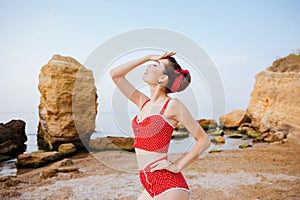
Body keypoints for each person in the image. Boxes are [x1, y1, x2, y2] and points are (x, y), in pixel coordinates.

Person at [110, 51, 211, 200]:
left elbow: (204, 140)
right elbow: (115, 75)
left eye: (155, 65)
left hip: (170, 187)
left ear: (163, 78)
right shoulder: (143, 102)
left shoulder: (172, 105)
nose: (149, 67)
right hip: (150, 186)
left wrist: (178, 166)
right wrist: (147, 57)